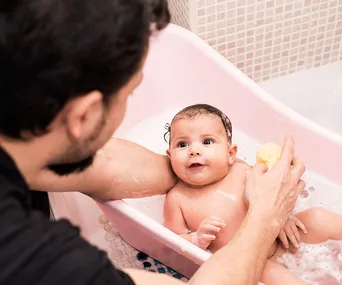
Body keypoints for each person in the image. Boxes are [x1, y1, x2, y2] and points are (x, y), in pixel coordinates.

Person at [0, 1, 306, 285]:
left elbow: (103, 164)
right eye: (129, 94)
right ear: (83, 117)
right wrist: (265, 218)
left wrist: (197, 171)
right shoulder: (32, 255)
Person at [163, 104, 342, 284]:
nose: (194, 150)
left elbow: (273, 194)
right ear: (170, 156)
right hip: (252, 260)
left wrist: (284, 217)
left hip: (282, 236)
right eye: (182, 144)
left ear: (230, 153)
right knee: (277, 277)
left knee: (318, 218)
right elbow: (175, 240)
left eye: (207, 142)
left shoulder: (242, 170)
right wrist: (196, 238)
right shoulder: (177, 199)